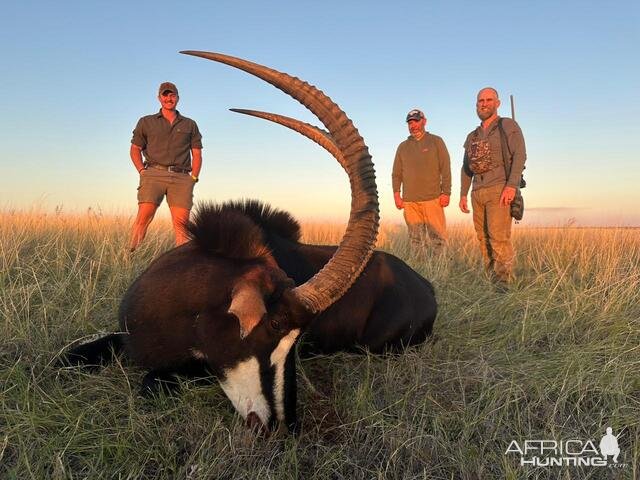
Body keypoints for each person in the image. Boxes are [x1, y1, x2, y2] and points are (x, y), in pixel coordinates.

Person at [459, 87, 526, 284]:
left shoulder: (507, 126)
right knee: (483, 240)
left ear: (497, 103)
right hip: (477, 192)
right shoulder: (473, 135)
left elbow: (520, 155)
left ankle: (503, 287)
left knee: (499, 239)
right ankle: (492, 282)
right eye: (481, 100)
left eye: (489, 100)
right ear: (476, 105)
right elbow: (466, 167)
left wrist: (511, 186)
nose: (484, 103)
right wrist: (463, 194)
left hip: (500, 189)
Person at [129, 82, 203, 251]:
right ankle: (130, 256)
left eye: (172, 95)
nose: (169, 99)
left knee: (182, 226)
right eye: (165, 95)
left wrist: (193, 178)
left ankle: (181, 270)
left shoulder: (189, 124)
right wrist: (142, 171)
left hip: (182, 178)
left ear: (177, 98)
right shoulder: (146, 122)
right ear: (159, 98)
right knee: (143, 219)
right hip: (154, 173)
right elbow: (135, 149)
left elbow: (197, 154)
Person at [392, 108, 451, 254]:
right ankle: (419, 270)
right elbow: (396, 173)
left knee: (438, 238)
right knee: (415, 239)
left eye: (416, 121)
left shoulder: (436, 141)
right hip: (410, 201)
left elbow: (446, 168)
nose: (413, 126)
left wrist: (446, 193)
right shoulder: (402, 147)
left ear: (424, 121)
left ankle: (440, 270)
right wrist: (397, 195)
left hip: (433, 199)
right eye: (410, 123)